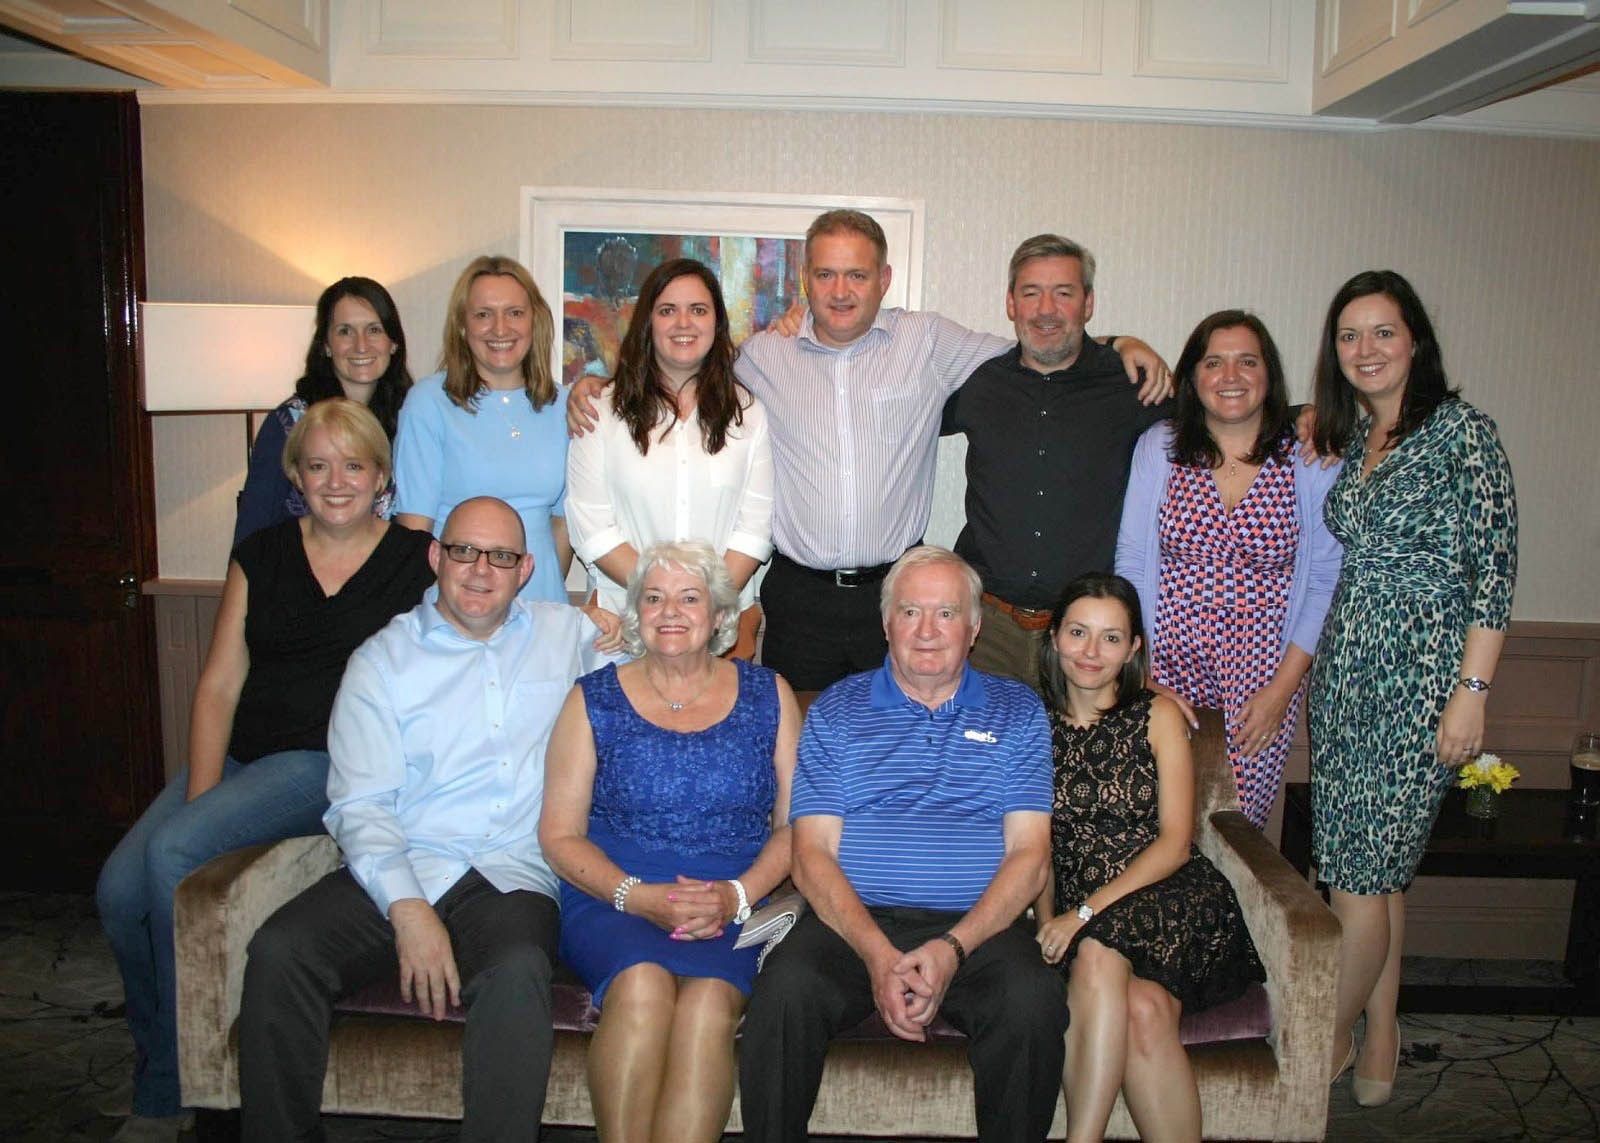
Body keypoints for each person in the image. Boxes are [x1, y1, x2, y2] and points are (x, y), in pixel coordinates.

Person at [570, 211, 1171, 690]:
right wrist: (599, 383)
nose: (840, 291)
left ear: (883, 279)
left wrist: (1118, 344)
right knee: (798, 743)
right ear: (805, 280)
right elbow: (684, 367)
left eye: (857, 275)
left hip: (897, 594)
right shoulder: (762, 357)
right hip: (798, 595)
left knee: (896, 745)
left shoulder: (928, 341)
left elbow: (1040, 346)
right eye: (826, 275)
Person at [97, 398, 434, 1142]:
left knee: (172, 853)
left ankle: (178, 1089)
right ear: (296, 476)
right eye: (318, 465)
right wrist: (204, 796)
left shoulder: (418, 559)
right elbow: (220, 684)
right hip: (246, 753)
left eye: (354, 465)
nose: (336, 481)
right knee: (119, 889)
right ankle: (161, 1055)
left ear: (382, 477)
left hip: (328, 762)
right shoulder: (262, 553)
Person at [236, 496, 622, 1143]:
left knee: (518, 968)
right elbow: (360, 805)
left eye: (501, 556)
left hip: (511, 870)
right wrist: (408, 908)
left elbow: (649, 688)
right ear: (436, 556)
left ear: (526, 569)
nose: (481, 570)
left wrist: (621, 631)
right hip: (405, 857)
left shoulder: (568, 636)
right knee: (281, 951)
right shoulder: (381, 661)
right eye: (464, 551)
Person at [738, 545, 1066, 1143]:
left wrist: (952, 949)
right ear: (886, 623)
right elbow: (811, 854)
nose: (927, 630)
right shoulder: (837, 710)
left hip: (978, 927)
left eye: (946, 613)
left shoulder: (1018, 711)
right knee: (784, 990)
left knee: (1033, 1002)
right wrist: (878, 956)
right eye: (911, 611)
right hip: (853, 921)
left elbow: (1030, 856)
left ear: (974, 628)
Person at [1307, 270, 1517, 1107]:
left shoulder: (1464, 433)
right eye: (1349, 335)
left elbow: (1495, 574)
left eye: (1382, 331)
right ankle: (1382, 1033)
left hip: (1420, 679)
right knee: (1375, 872)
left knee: (1357, 879)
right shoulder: (1361, 434)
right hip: (1345, 674)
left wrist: (1472, 691)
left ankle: (1321, 1039)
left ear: (1415, 340)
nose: (1365, 349)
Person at [540, 541, 800, 1143]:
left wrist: (737, 897)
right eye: (654, 598)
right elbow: (558, 835)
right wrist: (635, 896)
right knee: (641, 988)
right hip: (612, 894)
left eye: (689, 598)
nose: (671, 612)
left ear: (720, 614)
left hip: (735, 898)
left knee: (709, 1005)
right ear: (636, 612)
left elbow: (796, 826)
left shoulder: (770, 694)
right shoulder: (591, 698)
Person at [1035, 573, 1264, 1142]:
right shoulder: (1030, 723)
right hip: (1080, 899)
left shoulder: (1158, 715)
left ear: (1133, 647)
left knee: (1098, 952)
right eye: (1078, 632)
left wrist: (1082, 915)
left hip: (1167, 894)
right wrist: (1046, 921)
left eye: (1111, 638)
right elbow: (1033, 844)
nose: (1091, 651)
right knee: (1144, 1012)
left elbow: (1175, 843)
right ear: (1054, 638)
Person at [1116, 310, 1343, 828]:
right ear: (1193, 377)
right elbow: (1131, 559)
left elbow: (1324, 578)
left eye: (1247, 361)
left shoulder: (1308, 456)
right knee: (1156, 816)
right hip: (1165, 666)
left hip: (1263, 676)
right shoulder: (1162, 446)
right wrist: (1140, 672)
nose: (1230, 376)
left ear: (1269, 373)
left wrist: (1281, 692)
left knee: (1234, 825)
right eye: (1214, 362)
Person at [942, 235, 1173, 690]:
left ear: (1089, 303)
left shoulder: (1129, 383)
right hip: (987, 629)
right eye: (1031, 293)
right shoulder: (980, 382)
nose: (1046, 309)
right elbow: (890, 408)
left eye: (1063, 293)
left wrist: (1303, 420)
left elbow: (1223, 418)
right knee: (979, 738)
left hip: (1085, 635)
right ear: (1011, 303)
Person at [564, 258, 773, 656]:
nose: (683, 323)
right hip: (621, 629)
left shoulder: (749, 414)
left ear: (716, 322)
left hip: (720, 631)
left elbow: (754, 530)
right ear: (648, 323)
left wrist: (702, 606)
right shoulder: (600, 410)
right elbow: (593, 527)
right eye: (667, 310)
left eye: (698, 309)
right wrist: (662, 601)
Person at [393, 255, 573, 601]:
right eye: (483, 314)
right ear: (462, 325)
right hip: (457, 603)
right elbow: (415, 532)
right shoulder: (429, 403)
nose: (500, 329)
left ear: (534, 321)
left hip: (540, 601)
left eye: (515, 313)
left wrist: (543, 600)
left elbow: (563, 523)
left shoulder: (563, 406)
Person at [233, 276, 412, 547]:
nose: (361, 345)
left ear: (393, 342)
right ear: (326, 345)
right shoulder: (290, 423)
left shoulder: (413, 419)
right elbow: (251, 532)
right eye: (345, 331)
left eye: (374, 330)